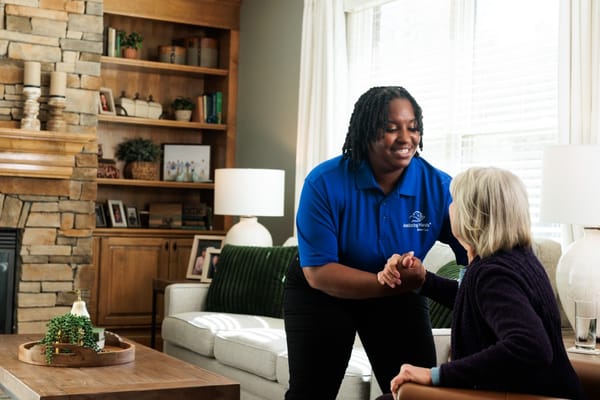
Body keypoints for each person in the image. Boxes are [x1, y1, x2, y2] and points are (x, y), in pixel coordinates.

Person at [283, 86, 468, 400]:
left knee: (417, 395)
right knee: (311, 394)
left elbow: (472, 252)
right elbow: (319, 272)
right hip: (323, 295)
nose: (405, 137)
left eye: (413, 128)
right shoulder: (324, 182)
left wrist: (471, 298)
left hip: (400, 295)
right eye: (391, 128)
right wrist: (390, 281)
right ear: (366, 131)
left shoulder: (439, 187)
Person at [377, 167, 586, 399]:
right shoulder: (515, 258)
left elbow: (531, 346)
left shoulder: (493, 274)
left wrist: (435, 375)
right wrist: (423, 280)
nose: (449, 208)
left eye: (454, 202)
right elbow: (477, 302)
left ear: (472, 217)